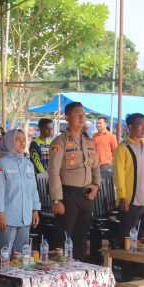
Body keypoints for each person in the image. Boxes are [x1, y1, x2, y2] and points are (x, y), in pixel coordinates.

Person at [48, 102, 100, 262]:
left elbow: (95, 167)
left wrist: (96, 186)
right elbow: (53, 172)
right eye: (77, 114)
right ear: (67, 118)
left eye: (83, 114)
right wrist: (57, 200)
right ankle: (59, 274)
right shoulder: (60, 141)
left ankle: (78, 271)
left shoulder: (88, 140)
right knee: (64, 237)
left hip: (86, 197)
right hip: (68, 196)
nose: (82, 117)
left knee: (81, 237)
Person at [113, 113, 144, 282]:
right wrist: (122, 196)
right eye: (140, 124)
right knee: (128, 237)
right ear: (130, 127)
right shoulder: (123, 148)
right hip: (130, 200)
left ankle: (142, 270)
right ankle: (127, 271)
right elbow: (119, 175)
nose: (143, 127)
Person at [0, 129, 40, 255]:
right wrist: (0, 214)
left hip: (25, 217)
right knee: (4, 255)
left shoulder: (29, 164)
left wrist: (35, 210)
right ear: (8, 142)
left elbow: (33, 190)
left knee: (22, 255)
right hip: (6, 218)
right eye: (17, 139)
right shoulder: (0, 164)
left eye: (23, 139)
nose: (22, 142)